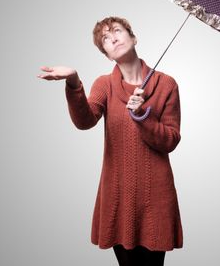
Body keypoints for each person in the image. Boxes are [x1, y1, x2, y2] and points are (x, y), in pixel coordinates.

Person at [37, 17, 183, 266]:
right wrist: (73, 81)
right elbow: (85, 120)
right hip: (118, 195)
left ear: (133, 38)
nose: (113, 38)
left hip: (156, 197)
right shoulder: (104, 85)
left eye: (117, 31)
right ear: (106, 53)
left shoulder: (166, 85)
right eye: (105, 38)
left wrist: (142, 117)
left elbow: (170, 140)